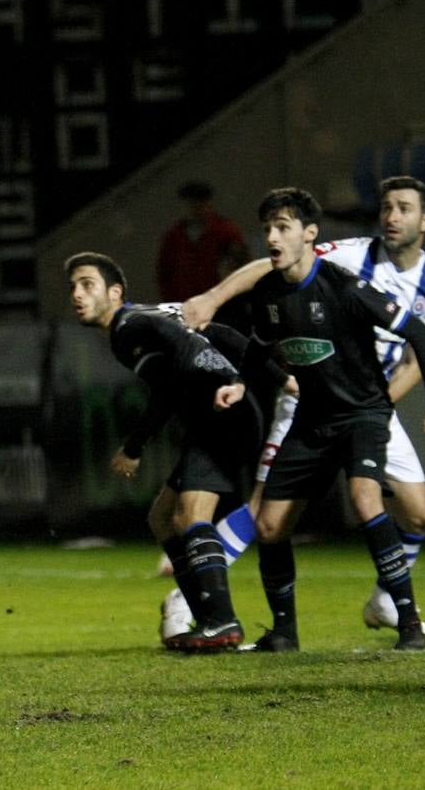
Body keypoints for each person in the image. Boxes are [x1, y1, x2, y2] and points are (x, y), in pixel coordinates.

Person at [183, 176, 425, 639]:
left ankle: (390, 604)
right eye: (385, 207)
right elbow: (269, 274)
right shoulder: (348, 254)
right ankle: (204, 597)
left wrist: (391, 406)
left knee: (419, 513)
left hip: (366, 403)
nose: (391, 216)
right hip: (306, 399)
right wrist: (213, 300)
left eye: (403, 208)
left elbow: (415, 351)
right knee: (268, 515)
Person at [65, 253, 288, 652]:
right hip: (223, 413)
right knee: (163, 519)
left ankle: (222, 621)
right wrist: (278, 377)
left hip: (223, 415)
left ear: (115, 292)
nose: (76, 295)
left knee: (189, 516)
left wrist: (135, 446)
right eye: (73, 287)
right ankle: (205, 616)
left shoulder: (131, 327)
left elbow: (180, 363)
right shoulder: (150, 315)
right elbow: (220, 333)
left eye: (87, 284)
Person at [155, 182, 248, 314]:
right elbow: (164, 273)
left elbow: (241, 265)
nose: (196, 208)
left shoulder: (225, 232)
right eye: (192, 204)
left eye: (200, 203)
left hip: (222, 305)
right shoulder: (173, 237)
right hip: (187, 306)